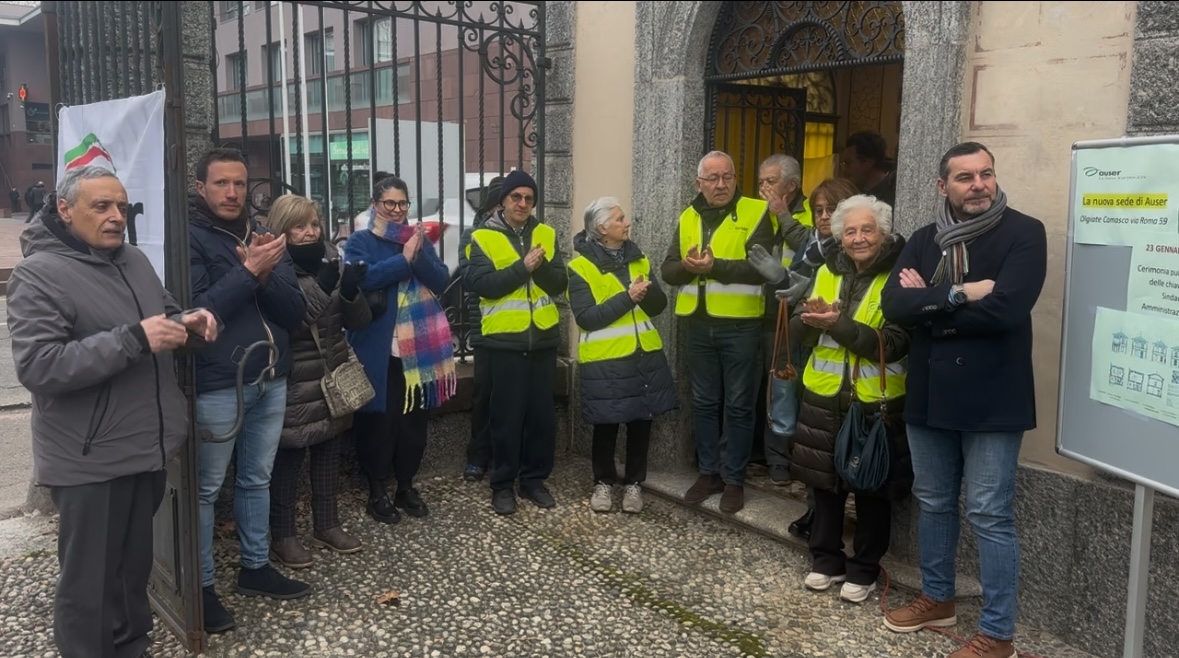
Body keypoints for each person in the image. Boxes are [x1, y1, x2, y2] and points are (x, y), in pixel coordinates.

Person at [7, 165, 219, 658]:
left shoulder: (135, 261)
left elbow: (161, 315)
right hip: (88, 460)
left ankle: (130, 647)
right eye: (101, 206)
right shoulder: (38, 275)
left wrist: (188, 323)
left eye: (121, 206)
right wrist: (133, 339)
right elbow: (39, 367)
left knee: (129, 574)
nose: (115, 217)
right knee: (89, 586)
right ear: (64, 209)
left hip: (145, 447)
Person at [880, 141, 1047, 658]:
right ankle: (938, 598)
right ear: (942, 186)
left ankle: (998, 634)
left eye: (986, 174)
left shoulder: (1025, 232)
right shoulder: (926, 238)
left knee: (989, 513)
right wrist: (959, 293)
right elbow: (893, 305)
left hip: (993, 397)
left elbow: (1007, 310)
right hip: (930, 395)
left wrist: (928, 303)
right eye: (965, 177)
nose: (978, 185)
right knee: (933, 501)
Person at [189, 147, 310, 633]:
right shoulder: (190, 238)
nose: (232, 193)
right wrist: (248, 272)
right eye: (221, 183)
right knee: (204, 490)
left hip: (270, 376)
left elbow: (293, 312)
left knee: (256, 478)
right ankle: (199, 587)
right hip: (218, 382)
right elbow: (199, 313)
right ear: (201, 187)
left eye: (239, 183)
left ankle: (255, 568)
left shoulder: (263, 236)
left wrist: (260, 272)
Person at [788, 194, 912, 604]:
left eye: (868, 230)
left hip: (874, 401)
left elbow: (894, 343)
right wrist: (805, 318)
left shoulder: (899, 277)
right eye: (851, 231)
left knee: (872, 488)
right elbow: (798, 331)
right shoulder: (826, 271)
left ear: (884, 234)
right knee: (825, 484)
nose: (859, 238)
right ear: (840, 237)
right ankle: (825, 559)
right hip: (824, 395)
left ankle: (864, 568)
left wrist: (837, 324)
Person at [661, 150, 776, 514]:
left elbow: (763, 270)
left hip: (740, 325)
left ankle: (734, 479)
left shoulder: (757, 213)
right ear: (699, 183)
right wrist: (688, 267)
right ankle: (709, 472)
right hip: (698, 324)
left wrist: (714, 267)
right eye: (713, 178)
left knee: (740, 406)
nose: (721, 184)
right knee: (705, 403)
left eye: (727, 176)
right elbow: (667, 270)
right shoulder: (688, 216)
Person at [265, 194, 372, 567]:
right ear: (283, 231)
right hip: (296, 380)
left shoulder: (331, 262)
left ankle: (327, 524)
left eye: (313, 223)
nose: (310, 232)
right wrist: (325, 286)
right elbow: (293, 323)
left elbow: (356, 322)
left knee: (329, 454)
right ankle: (283, 535)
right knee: (289, 459)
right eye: (300, 226)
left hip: (332, 374)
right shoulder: (275, 270)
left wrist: (350, 291)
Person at [346, 175, 455, 523]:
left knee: (413, 426)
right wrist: (403, 262)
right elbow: (362, 280)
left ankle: (406, 486)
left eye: (402, 203)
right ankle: (377, 490)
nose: (396, 210)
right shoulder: (360, 240)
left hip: (419, 352)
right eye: (389, 203)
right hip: (378, 350)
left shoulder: (420, 241)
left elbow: (440, 280)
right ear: (375, 204)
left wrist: (417, 254)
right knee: (379, 424)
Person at [464, 170, 568, 514]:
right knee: (506, 418)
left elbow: (558, 284)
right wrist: (524, 268)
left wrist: (539, 269)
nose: (523, 203)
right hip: (504, 342)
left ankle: (534, 480)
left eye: (528, 198)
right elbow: (483, 284)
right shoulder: (481, 236)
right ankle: (503, 484)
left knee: (541, 417)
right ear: (503, 201)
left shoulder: (546, 234)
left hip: (542, 340)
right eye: (516, 197)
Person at [765, 177, 861, 541]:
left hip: (855, 371)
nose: (823, 217)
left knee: (850, 448)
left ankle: (850, 519)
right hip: (814, 362)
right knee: (813, 446)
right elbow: (796, 311)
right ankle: (816, 513)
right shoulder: (814, 251)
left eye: (831, 209)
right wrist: (791, 293)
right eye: (818, 210)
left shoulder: (865, 251)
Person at [569, 197, 677, 514]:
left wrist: (647, 292)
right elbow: (586, 317)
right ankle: (603, 483)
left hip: (642, 355)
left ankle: (634, 484)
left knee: (641, 421)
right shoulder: (580, 267)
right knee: (606, 423)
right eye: (619, 219)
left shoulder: (638, 259)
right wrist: (628, 298)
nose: (626, 222)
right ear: (602, 228)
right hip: (606, 360)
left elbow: (657, 308)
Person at [751, 154, 814, 483]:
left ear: (791, 185)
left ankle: (795, 458)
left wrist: (783, 215)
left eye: (770, 182)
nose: (763, 188)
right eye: (760, 181)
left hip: (796, 317)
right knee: (768, 389)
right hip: (758, 315)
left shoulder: (813, 213)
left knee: (789, 389)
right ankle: (770, 457)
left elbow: (809, 250)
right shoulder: (754, 213)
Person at [459, 175, 506, 481]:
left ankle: (506, 456)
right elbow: (472, 279)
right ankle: (478, 455)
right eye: (498, 206)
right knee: (484, 393)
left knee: (511, 396)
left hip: (519, 330)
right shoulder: (473, 235)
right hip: (486, 328)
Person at [841, 132, 897, 208]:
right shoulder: (852, 193)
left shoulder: (895, 193)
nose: (845, 169)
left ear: (869, 161)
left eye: (848, 162)